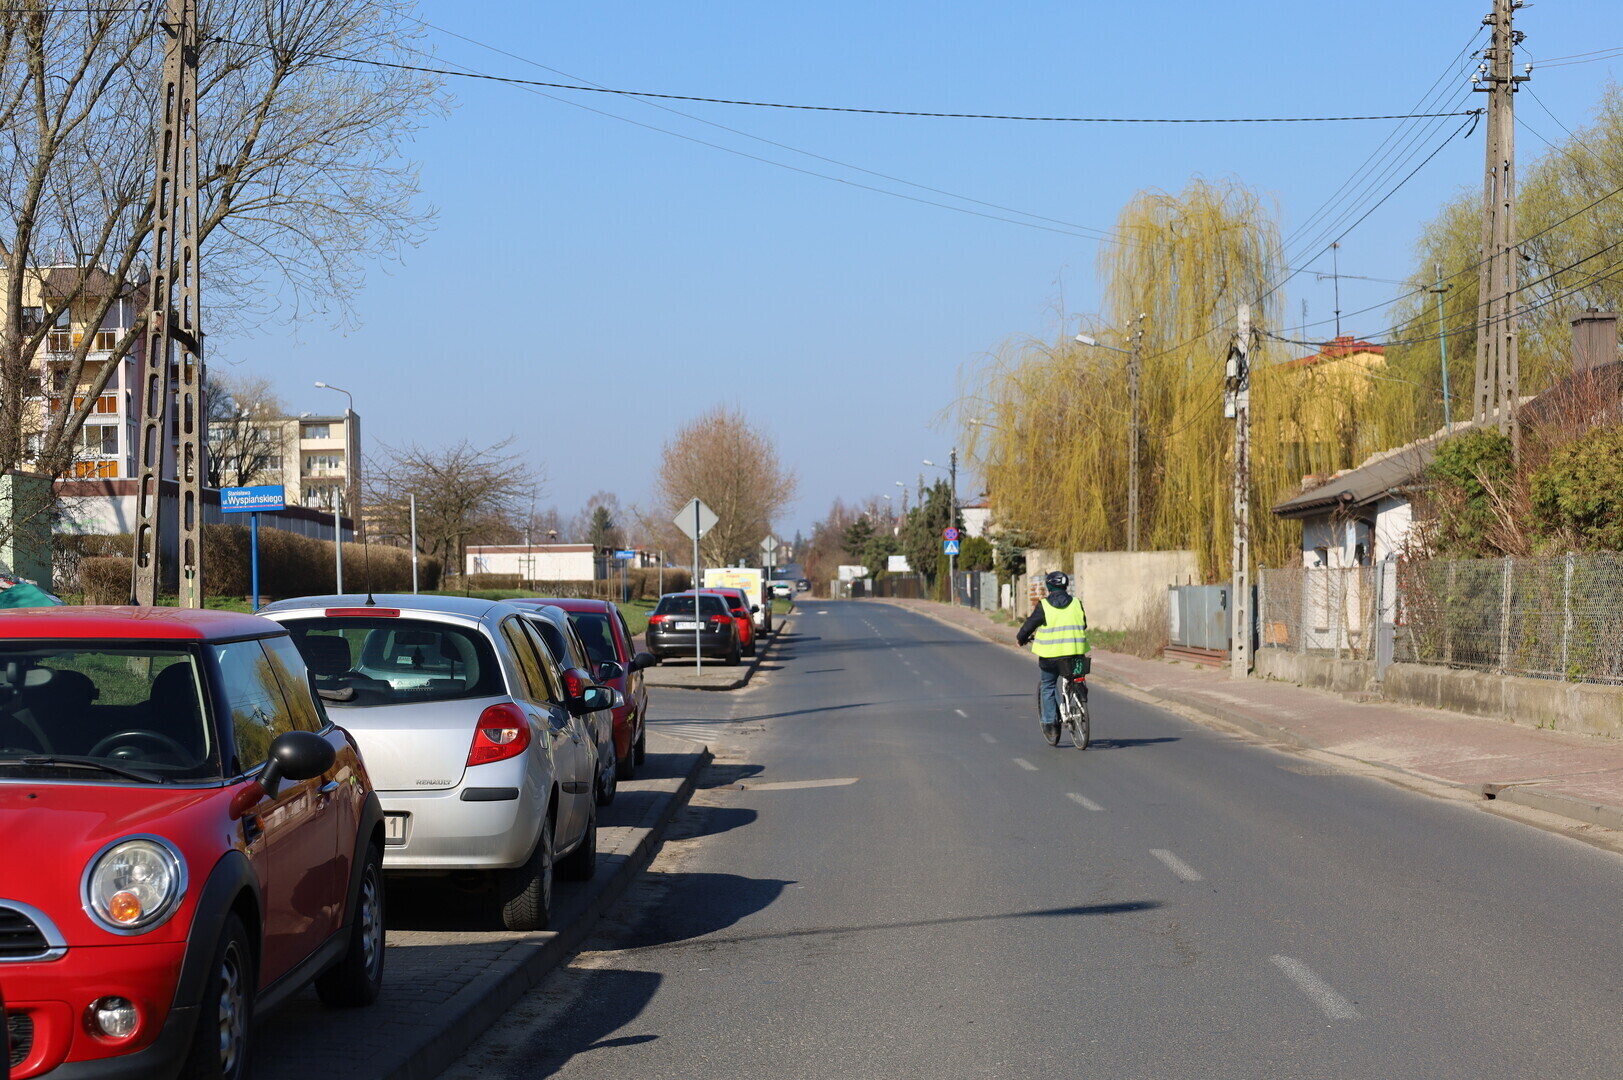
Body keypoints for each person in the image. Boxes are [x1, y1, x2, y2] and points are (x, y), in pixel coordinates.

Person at [1014, 570, 1090, 741]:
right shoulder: (1077, 603)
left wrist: (1021, 638)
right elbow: (1083, 625)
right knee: (1075, 676)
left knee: (1047, 685)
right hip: (1076, 654)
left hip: (1051, 657)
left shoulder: (1044, 605)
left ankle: (1050, 725)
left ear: (1049, 586)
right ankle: (1079, 697)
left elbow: (1029, 625)